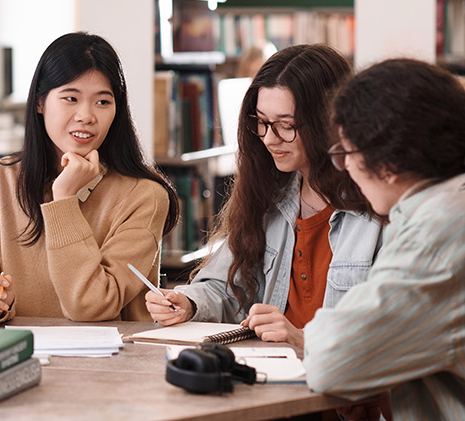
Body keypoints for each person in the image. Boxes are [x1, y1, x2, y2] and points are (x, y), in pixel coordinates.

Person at [146, 44, 382, 350]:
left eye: (286, 125)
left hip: (341, 387)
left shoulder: (379, 208)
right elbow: (225, 286)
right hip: (273, 378)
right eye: (261, 122)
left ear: (328, 122)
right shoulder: (269, 193)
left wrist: (303, 340)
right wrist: (188, 302)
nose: (270, 138)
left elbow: (390, 336)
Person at [0, 32, 180, 324]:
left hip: (113, 364)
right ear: (40, 103)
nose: (86, 115)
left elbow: (91, 306)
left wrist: (64, 200)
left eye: (102, 102)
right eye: (71, 98)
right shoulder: (1, 180)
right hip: (21, 354)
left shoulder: (144, 196)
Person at [304, 59, 465, 420]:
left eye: (346, 152)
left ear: (388, 161)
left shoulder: (434, 236)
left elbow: (332, 360)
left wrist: (320, 331)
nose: (343, 167)